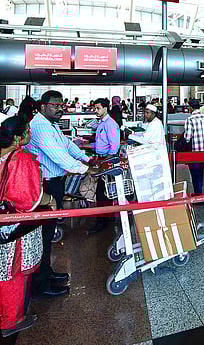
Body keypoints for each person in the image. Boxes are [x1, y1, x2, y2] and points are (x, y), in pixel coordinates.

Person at [27, 90, 97, 298]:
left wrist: (87, 159)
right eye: (54, 105)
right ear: (43, 106)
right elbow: (58, 156)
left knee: (48, 233)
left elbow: (67, 146)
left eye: (61, 105)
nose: (59, 109)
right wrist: (85, 169)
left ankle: (46, 272)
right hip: (46, 186)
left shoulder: (52, 125)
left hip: (55, 182)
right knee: (44, 234)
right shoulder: (39, 125)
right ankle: (40, 286)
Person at [0, 116, 57, 337]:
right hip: (14, 226)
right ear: (17, 138)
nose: (30, 135)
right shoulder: (21, 158)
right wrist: (50, 200)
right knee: (12, 273)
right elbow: (28, 197)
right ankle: (11, 321)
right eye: (27, 132)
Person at [87, 98, 121, 235]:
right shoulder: (101, 123)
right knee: (105, 191)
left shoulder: (111, 124)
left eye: (98, 108)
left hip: (107, 160)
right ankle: (107, 217)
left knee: (103, 192)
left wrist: (105, 162)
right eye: (95, 108)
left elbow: (114, 146)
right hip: (101, 158)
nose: (96, 111)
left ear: (106, 108)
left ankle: (102, 220)